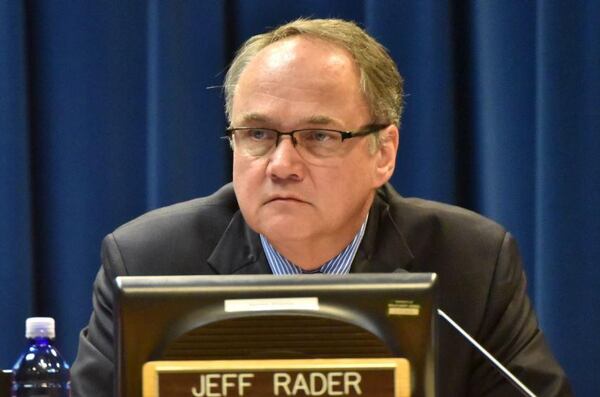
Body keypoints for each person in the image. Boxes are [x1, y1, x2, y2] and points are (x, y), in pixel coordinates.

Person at [71, 18, 572, 396]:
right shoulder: (145, 261)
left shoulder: (471, 262)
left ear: (384, 153)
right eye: (258, 134)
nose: (281, 164)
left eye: (318, 136)